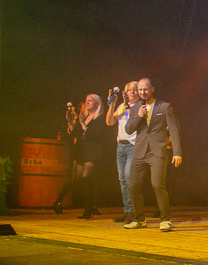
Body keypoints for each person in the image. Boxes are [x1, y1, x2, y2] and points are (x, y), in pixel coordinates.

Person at [123, 78, 183, 231]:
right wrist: (138, 116)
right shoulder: (136, 108)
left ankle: (165, 219)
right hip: (140, 150)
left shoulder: (164, 107)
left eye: (145, 89)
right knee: (133, 185)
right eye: (140, 90)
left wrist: (177, 152)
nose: (142, 92)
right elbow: (129, 129)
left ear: (152, 89)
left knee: (157, 184)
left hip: (157, 150)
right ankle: (139, 219)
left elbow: (174, 130)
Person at [52, 94, 108, 219]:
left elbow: (98, 135)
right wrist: (72, 123)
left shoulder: (100, 118)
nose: (87, 103)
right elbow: (75, 133)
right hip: (82, 151)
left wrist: (84, 126)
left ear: (97, 104)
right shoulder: (85, 117)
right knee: (77, 179)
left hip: (93, 151)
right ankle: (87, 206)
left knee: (86, 177)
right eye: (86, 101)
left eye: (90, 101)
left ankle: (88, 210)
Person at [105, 82, 139, 224]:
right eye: (129, 90)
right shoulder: (121, 106)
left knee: (128, 177)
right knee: (122, 179)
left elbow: (133, 121)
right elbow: (109, 122)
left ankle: (133, 212)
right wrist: (112, 104)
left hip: (133, 145)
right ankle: (127, 210)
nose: (132, 92)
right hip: (121, 146)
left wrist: (126, 106)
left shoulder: (140, 107)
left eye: (135, 90)